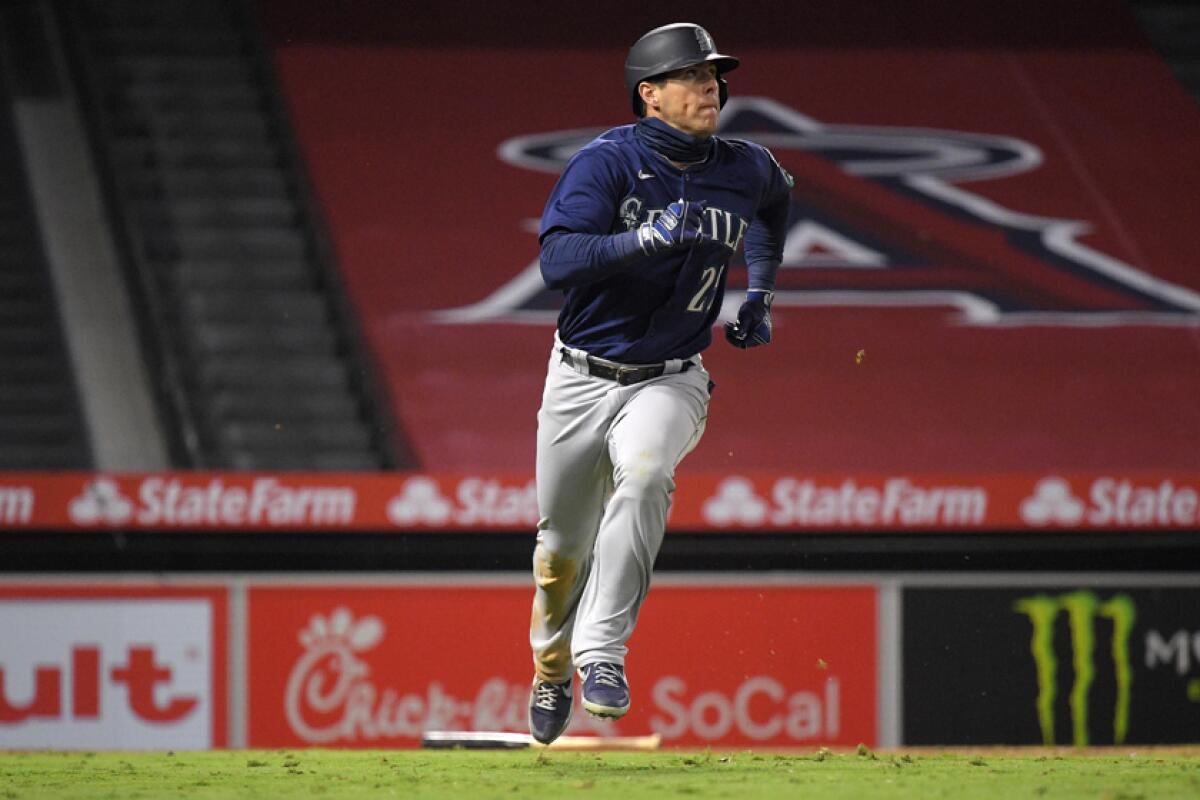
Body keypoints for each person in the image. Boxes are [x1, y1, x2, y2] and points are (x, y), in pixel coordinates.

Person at [526, 22, 793, 744]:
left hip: (672, 377)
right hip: (581, 376)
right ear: (649, 94)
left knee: (645, 474)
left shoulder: (746, 166)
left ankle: (602, 654)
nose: (709, 86)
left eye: (713, 75)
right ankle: (552, 668)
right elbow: (557, 262)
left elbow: (776, 202)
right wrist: (640, 240)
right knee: (559, 553)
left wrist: (761, 291)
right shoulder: (605, 163)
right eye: (691, 76)